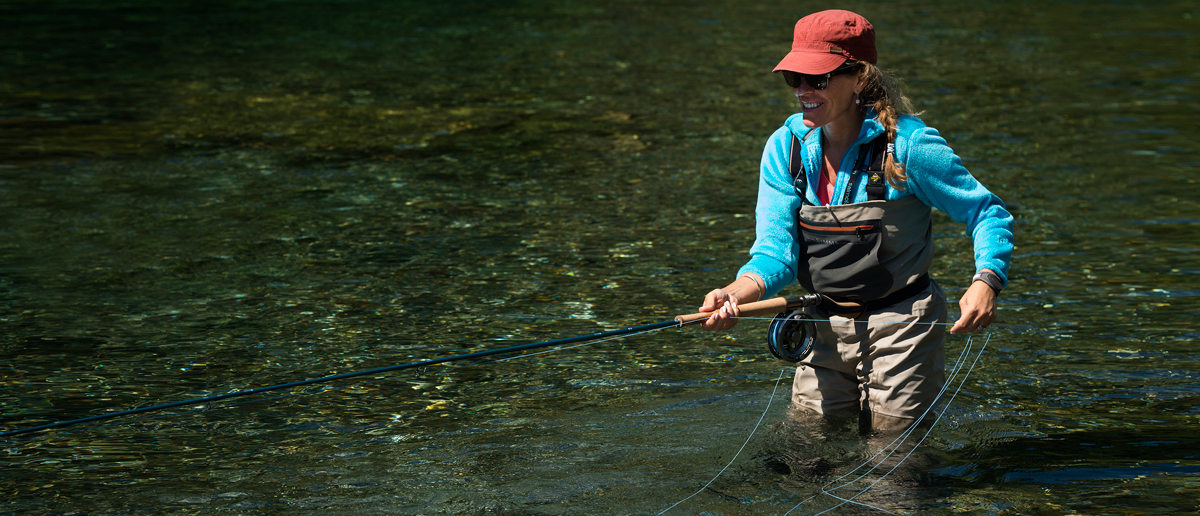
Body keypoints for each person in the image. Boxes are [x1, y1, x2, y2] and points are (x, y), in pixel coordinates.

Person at [698, 10, 1014, 432]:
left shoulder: (909, 146)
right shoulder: (785, 149)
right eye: (795, 78)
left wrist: (985, 281)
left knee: (892, 469)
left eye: (819, 79)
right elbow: (775, 253)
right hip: (820, 322)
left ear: (861, 79)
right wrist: (735, 294)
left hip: (903, 327)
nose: (803, 90)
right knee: (805, 456)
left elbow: (986, 212)